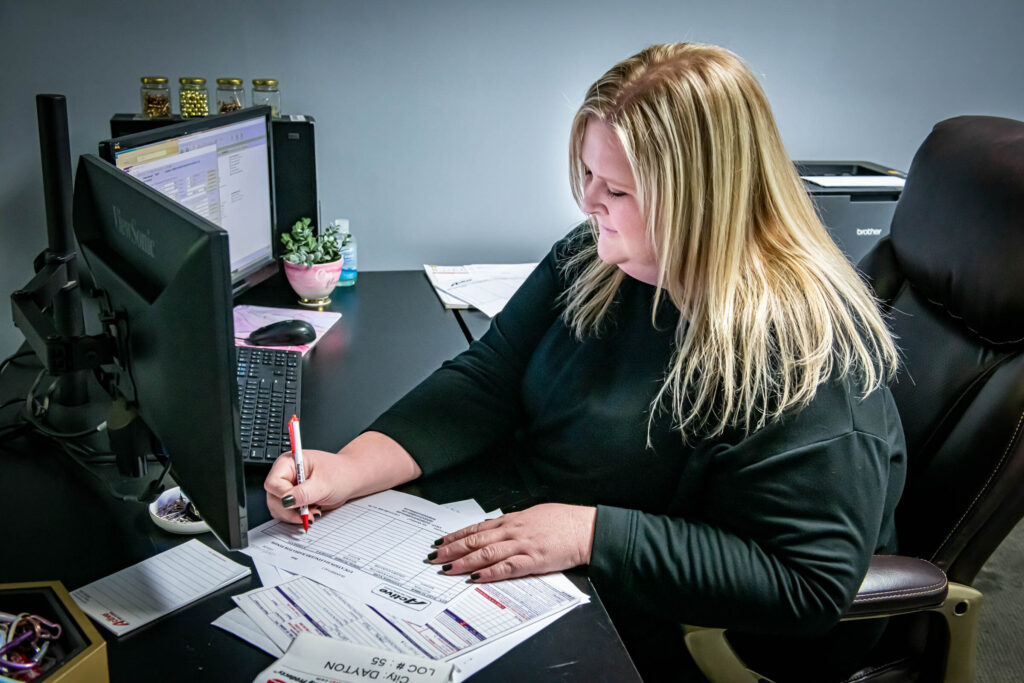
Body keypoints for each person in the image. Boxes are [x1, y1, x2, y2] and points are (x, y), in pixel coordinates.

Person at [265, 42, 906, 682]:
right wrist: (350, 468)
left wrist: (589, 535)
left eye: (617, 189)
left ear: (701, 201)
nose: (589, 202)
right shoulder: (598, 258)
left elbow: (806, 583)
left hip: (690, 623)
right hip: (547, 538)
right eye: (588, 176)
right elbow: (490, 378)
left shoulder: (802, 353)